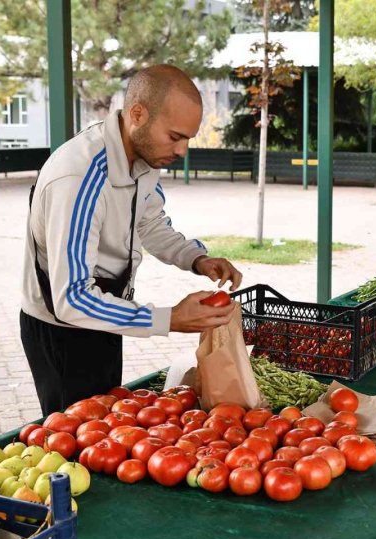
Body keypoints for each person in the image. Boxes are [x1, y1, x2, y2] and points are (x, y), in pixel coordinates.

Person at [20, 64, 242, 416]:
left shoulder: (142, 158)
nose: (182, 150)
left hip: (105, 311)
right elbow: (72, 299)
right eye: (175, 136)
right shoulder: (79, 178)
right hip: (63, 330)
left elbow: (149, 223)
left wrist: (196, 258)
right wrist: (170, 319)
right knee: (77, 437)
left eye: (187, 138)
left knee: (108, 423)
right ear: (137, 114)